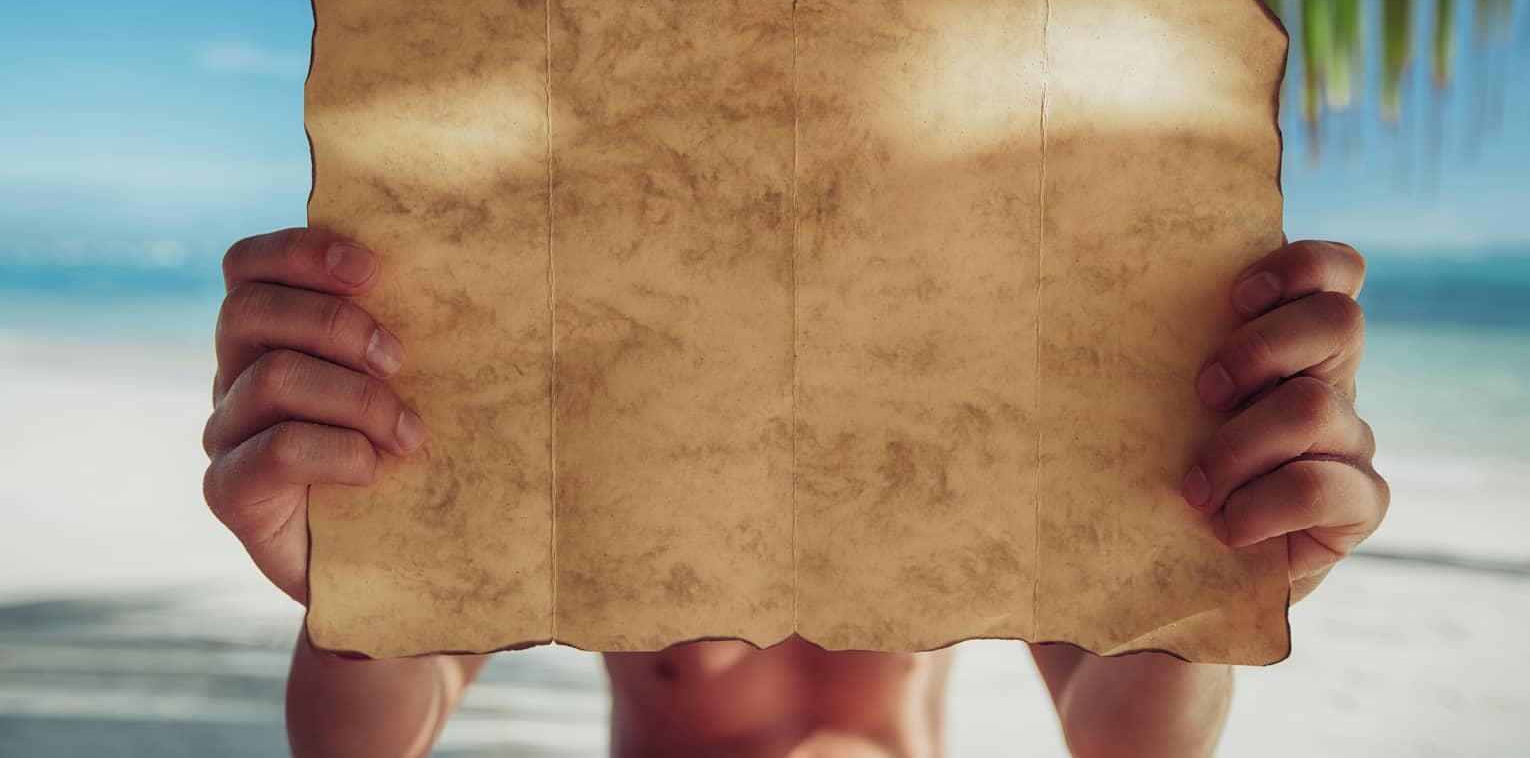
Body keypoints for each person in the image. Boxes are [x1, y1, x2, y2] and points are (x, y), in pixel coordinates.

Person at [203, 228, 1388, 758]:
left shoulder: (970, 432)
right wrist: (359, 592)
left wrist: (1215, 579)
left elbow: (1125, 735)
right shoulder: (589, 418)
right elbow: (370, 733)